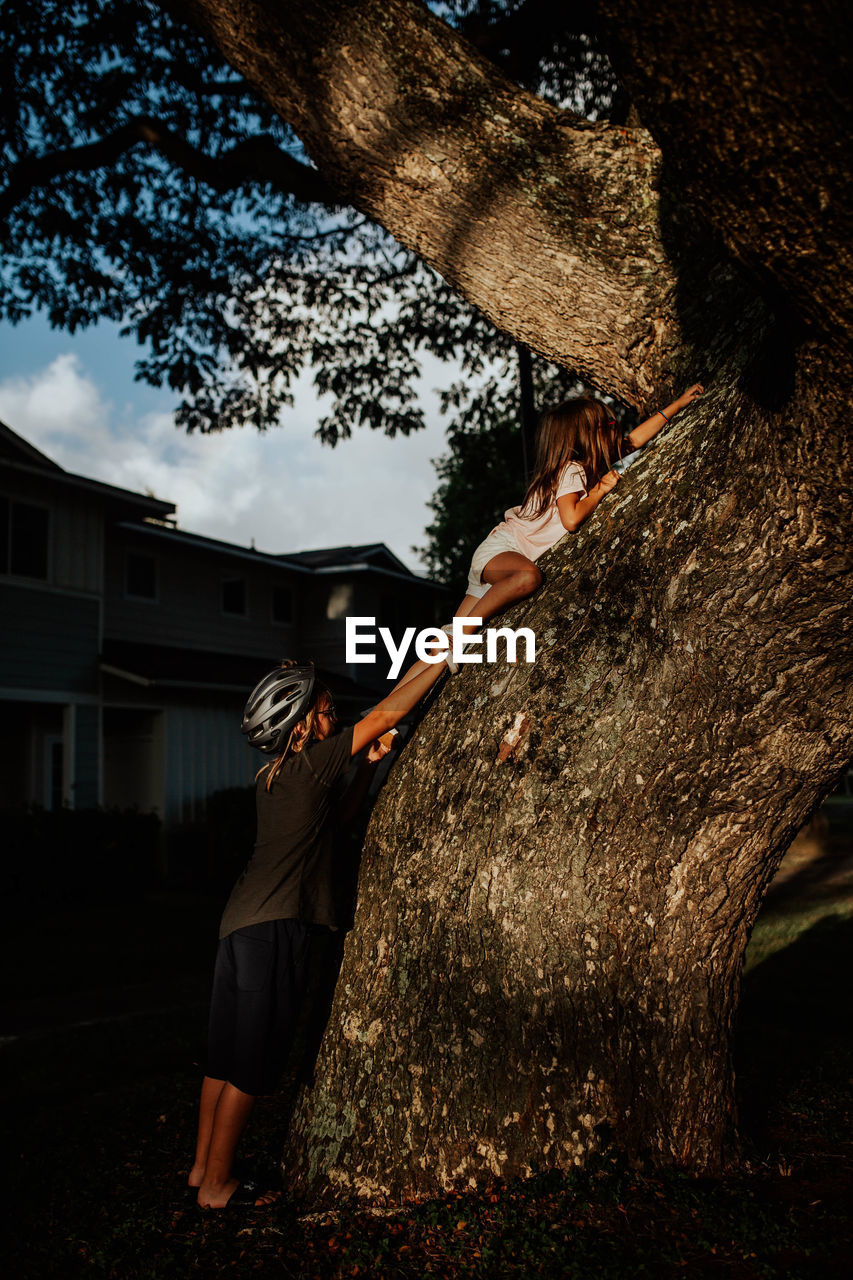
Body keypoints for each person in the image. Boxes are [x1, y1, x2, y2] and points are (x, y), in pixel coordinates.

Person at [188, 655, 446, 1210]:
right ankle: (216, 1187)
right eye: (328, 713)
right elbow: (386, 713)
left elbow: (340, 821)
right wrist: (442, 658)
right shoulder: (311, 763)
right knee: (252, 1068)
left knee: (224, 1060)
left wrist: (369, 769)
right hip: (275, 926)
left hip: (239, 927)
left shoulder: (278, 777)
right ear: (303, 725)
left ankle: (200, 1169)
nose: (336, 720)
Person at [393, 383, 704, 687]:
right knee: (528, 577)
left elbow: (633, 440)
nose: (617, 428)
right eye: (610, 423)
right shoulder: (573, 470)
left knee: (444, 639)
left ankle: (387, 726)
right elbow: (571, 519)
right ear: (590, 434)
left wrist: (677, 405)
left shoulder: (585, 465)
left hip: (499, 558)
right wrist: (599, 491)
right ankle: (462, 638)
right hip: (504, 550)